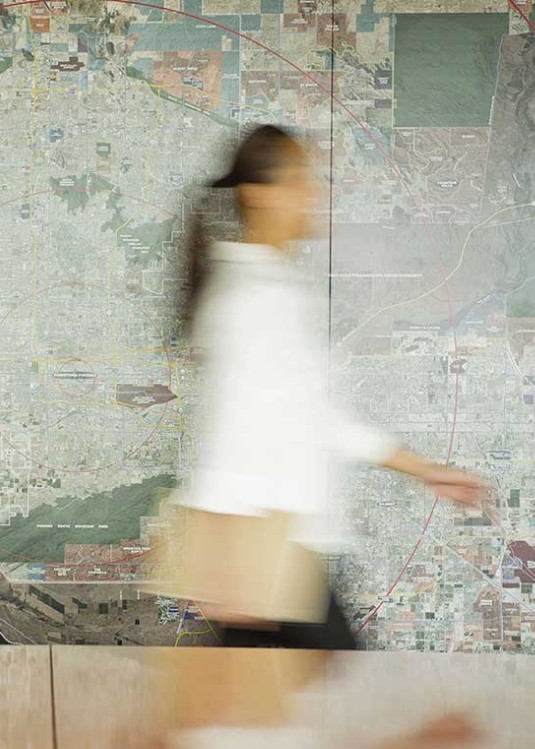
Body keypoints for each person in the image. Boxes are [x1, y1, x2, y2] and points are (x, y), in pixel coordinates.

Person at [177, 124, 487, 650]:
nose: (315, 193)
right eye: (301, 179)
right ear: (258, 194)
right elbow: (233, 428)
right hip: (271, 551)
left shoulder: (263, 285)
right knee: (312, 705)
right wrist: (226, 563)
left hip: (280, 549)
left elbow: (311, 416)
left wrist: (426, 470)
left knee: (267, 712)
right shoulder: (256, 295)